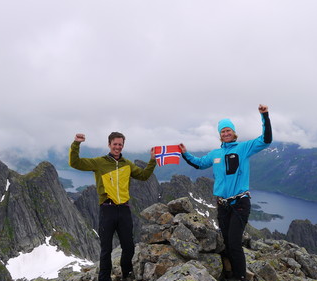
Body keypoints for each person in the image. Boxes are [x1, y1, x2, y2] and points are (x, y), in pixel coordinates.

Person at [178, 104, 272, 281]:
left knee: (235, 243)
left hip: (240, 203)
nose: (226, 133)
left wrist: (265, 116)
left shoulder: (244, 148)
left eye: (228, 130)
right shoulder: (216, 153)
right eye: (223, 131)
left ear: (234, 132)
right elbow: (199, 164)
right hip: (223, 205)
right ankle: (232, 273)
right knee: (228, 242)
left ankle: (241, 277)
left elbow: (266, 140)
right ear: (220, 134)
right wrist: (185, 153)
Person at [69, 132, 156, 281]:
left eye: (120, 144)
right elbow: (75, 163)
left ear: (123, 146)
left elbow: (143, 175)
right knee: (106, 248)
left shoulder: (127, 164)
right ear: (109, 144)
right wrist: (76, 143)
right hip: (107, 209)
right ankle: (104, 278)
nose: (117, 147)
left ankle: (127, 274)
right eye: (115, 144)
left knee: (128, 246)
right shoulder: (99, 162)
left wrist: (152, 160)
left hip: (124, 209)